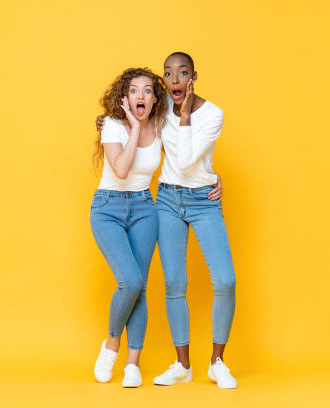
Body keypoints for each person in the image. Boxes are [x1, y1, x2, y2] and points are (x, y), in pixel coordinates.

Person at [96, 52, 237, 389]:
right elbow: (126, 128)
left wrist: (214, 177)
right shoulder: (158, 116)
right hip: (166, 201)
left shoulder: (212, 114)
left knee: (225, 281)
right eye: (169, 74)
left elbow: (188, 161)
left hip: (194, 201)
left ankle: (217, 362)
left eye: (183, 73)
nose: (175, 79)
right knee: (171, 284)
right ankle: (181, 364)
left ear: (193, 76)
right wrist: (108, 123)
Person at [90, 67, 167, 388]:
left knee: (141, 288)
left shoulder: (163, 126)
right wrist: (135, 128)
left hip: (144, 209)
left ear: (155, 99)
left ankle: (132, 365)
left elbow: (190, 153)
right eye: (134, 90)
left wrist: (212, 177)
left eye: (147, 91)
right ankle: (111, 344)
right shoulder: (112, 124)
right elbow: (121, 170)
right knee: (130, 281)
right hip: (108, 208)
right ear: (124, 97)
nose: (141, 96)